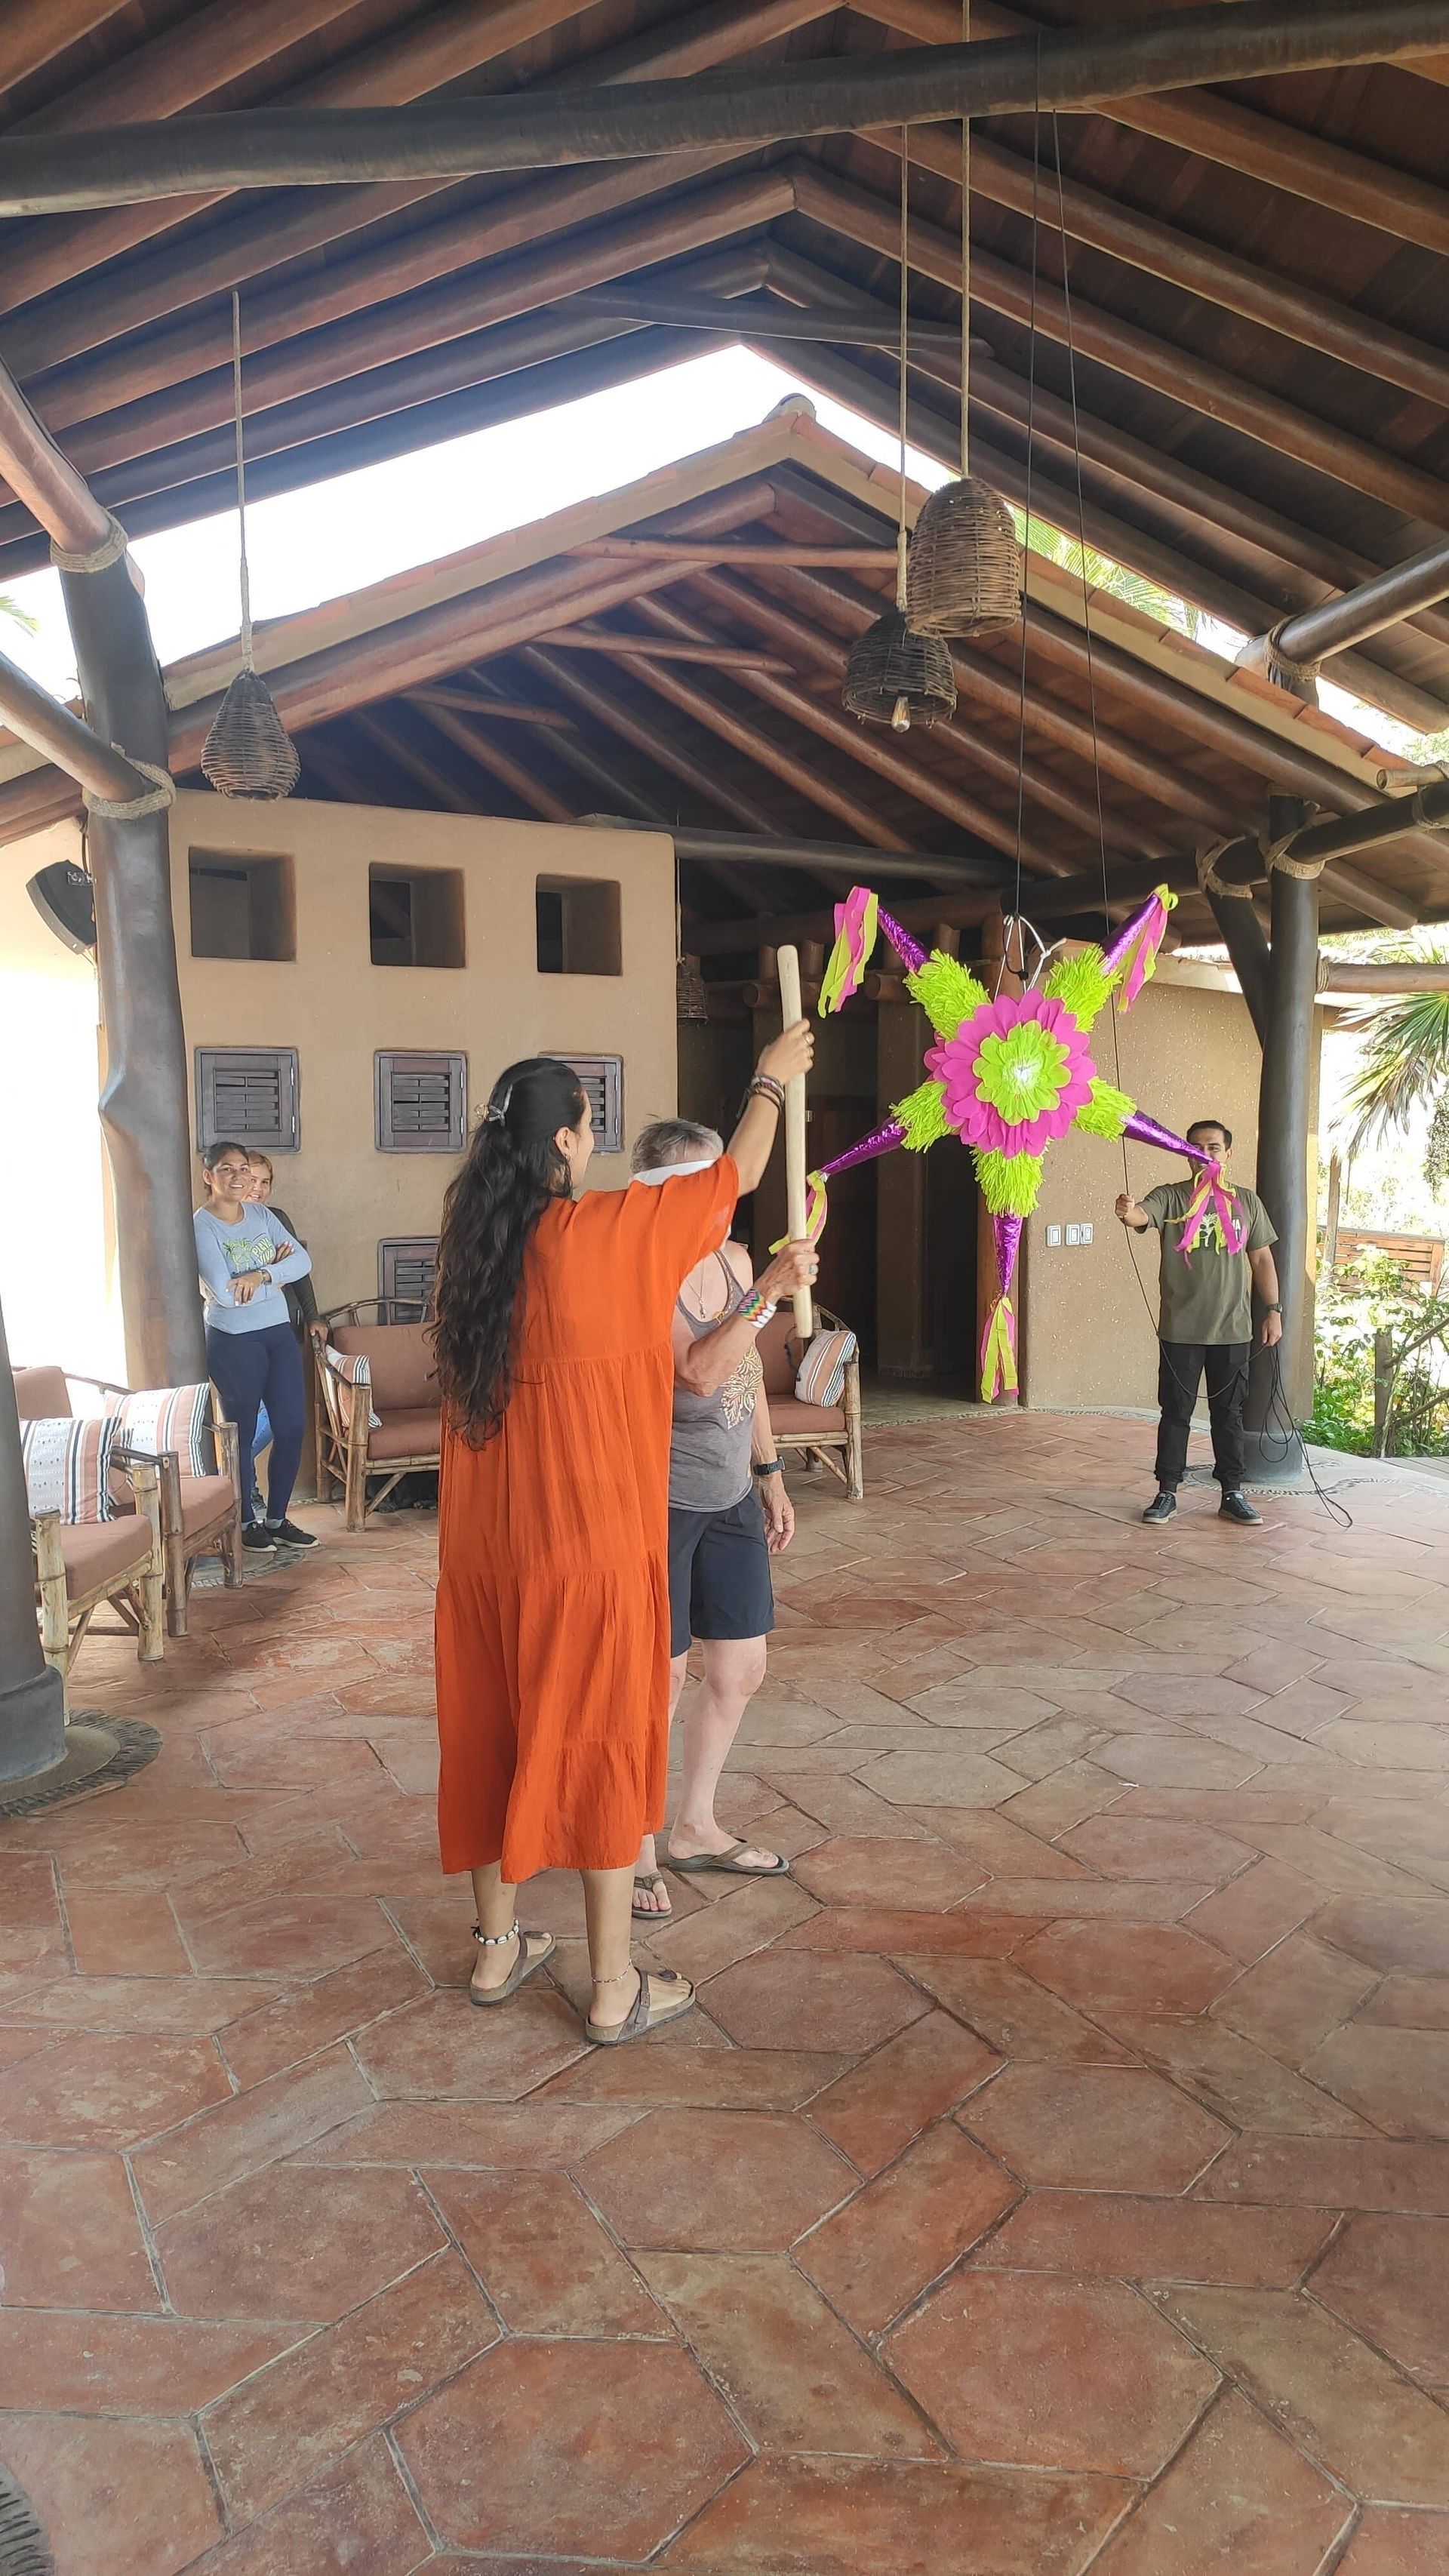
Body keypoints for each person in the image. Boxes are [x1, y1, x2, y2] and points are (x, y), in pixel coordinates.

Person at [432, 1026, 814, 2048]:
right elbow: (736, 1171)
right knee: (603, 1741)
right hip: (590, 1544)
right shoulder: (607, 1232)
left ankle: (497, 1948)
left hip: (485, 1553)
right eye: (588, 1124)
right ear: (564, 1141)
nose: (595, 1140)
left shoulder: (470, 1257)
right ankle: (613, 1985)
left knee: (492, 1730)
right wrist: (770, 1076)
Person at [627, 1118, 811, 1924]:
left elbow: (744, 1376)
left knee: (740, 1669)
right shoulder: (644, 1273)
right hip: (657, 1500)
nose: (721, 1201)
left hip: (730, 1492)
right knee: (659, 1682)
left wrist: (768, 1472)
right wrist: (769, 1292)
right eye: (704, 1185)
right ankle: (634, 1843)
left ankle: (695, 1824)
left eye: (724, 1184)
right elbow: (698, 1372)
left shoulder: (735, 1260)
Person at [1115, 1117, 1282, 1527]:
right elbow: (1140, 1216)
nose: (1204, 1155)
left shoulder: (1247, 1202)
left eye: (1213, 1147)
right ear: (1184, 1152)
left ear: (1228, 1153)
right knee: (1176, 1412)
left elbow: (1262, 1258)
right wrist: (1127, 1211)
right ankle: (1167, 1491)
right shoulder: (1171, 1197)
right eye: (1195, 1148)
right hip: (1181, 1330)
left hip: (1233, 1329)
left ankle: (1232, 1492)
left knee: (1230, 1414)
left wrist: (1274, 1310)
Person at [194, 1140, 319, 1553]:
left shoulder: (263, 1215)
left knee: (291, 1426)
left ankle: (277, 1519)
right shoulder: (202, 1226)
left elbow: (302, 1263)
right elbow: (225, 1293)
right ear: (209, 1176)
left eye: (243, 1169)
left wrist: (261, 1275)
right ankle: (246, 1522)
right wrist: (277, 1273)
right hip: (234, 1340)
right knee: (241, 1434)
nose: (238, 1177)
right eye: (227, 1169)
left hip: (277, 1333)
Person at [242, 1152, 325, 1521]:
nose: (257, 1189)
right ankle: (243, 1488)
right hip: (241, 1335)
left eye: (265, 1182)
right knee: (250, 1415)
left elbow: (299, 1270)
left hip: (283, 1330)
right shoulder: (219, 1225)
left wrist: (313, 1315)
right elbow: (229, 1283)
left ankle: (234, 1472)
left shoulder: (276, 1219)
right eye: (251, 1181)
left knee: (279, 1416)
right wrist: (272, 1268)